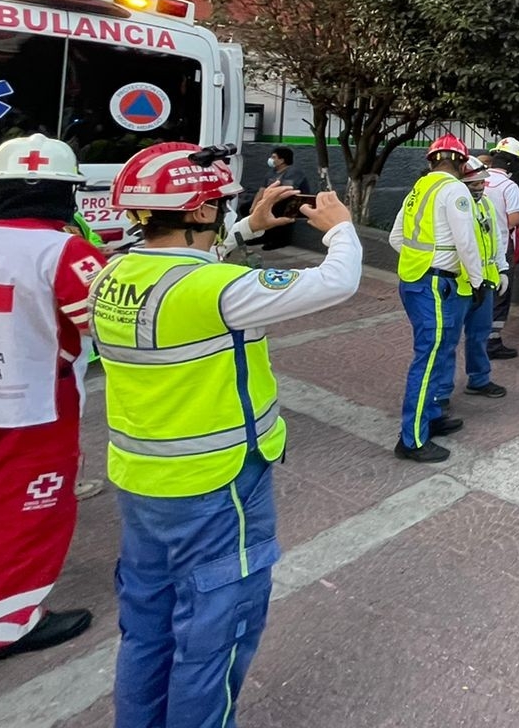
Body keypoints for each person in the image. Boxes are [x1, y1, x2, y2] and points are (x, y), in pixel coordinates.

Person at [89, 142, 360, 726]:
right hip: (218, 486)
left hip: (142, 484)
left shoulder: (112, 273)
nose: (218, 212)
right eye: (215, 204)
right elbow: (338, 282)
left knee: (148, 631)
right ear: (194, 212)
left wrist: (244, 229)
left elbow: (193, 270)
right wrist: (341, 229)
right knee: (213, 641)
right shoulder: (210, 292)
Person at [0, 135, 101, 662]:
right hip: (30, 407)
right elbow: (110, 320)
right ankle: (5, 624)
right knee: (27, 512)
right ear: (64, 195)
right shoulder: (65, 250)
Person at [389, 135, 482, 462]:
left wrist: (422, 259)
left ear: (431, 160)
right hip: (436, 285)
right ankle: (412, 439)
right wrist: (477, 280)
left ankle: (430, 417)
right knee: (428, 358)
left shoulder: (419, 189)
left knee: (438, 351)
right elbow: (466, 242)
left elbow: (395, 238)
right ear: (461, 162)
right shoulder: (455, 190)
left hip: (415, 281)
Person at [445, 157, 509, 402]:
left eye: (482, 182)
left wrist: (502, 269)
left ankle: (479, 379)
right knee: (448, 340)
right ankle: (441, 393)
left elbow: (497, 238)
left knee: (479, 334)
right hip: (459, 284)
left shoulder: (486, 206)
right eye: (473, 183)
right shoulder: (453, 205)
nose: (480, 187)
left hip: (485, 282)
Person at [482, 137, 519, 360]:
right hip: (501, 249)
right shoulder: (509, 186)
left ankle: (478, 337)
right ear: (512, 163)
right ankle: (492, 342)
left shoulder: (478, 180)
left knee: (480, 292)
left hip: (479, 246)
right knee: (500, 294)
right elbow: (514, 219)